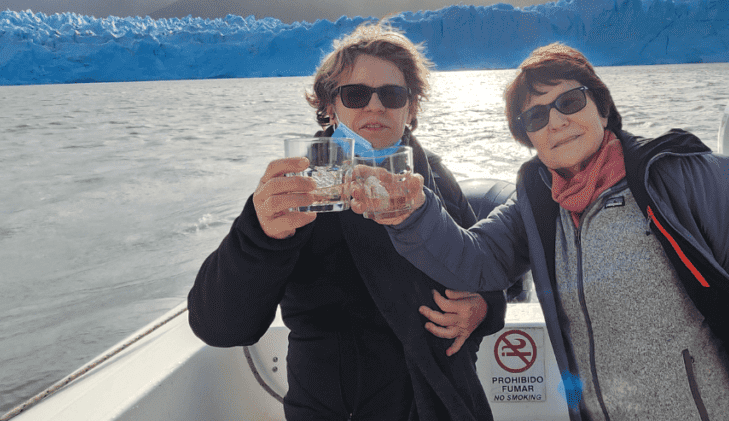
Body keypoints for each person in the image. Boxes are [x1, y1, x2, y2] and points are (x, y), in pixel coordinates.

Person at [357, 42, 729, 421]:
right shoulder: (537, 198)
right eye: (537, 115)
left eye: (570, 101)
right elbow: (476, 260)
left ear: (602, 107)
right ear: (528, 136)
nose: (558, 121)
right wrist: (413, 211)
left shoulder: (681, 176)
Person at [187, 21, 506, 421]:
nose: (375, 106)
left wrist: (484, 309)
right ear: (329, 106)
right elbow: (220, 326)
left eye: (392, 94)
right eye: (356, 94)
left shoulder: (432, 175)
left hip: (447, 407)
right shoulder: (301, 189)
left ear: (411, 107)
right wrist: (259, 234)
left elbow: (482, 266)